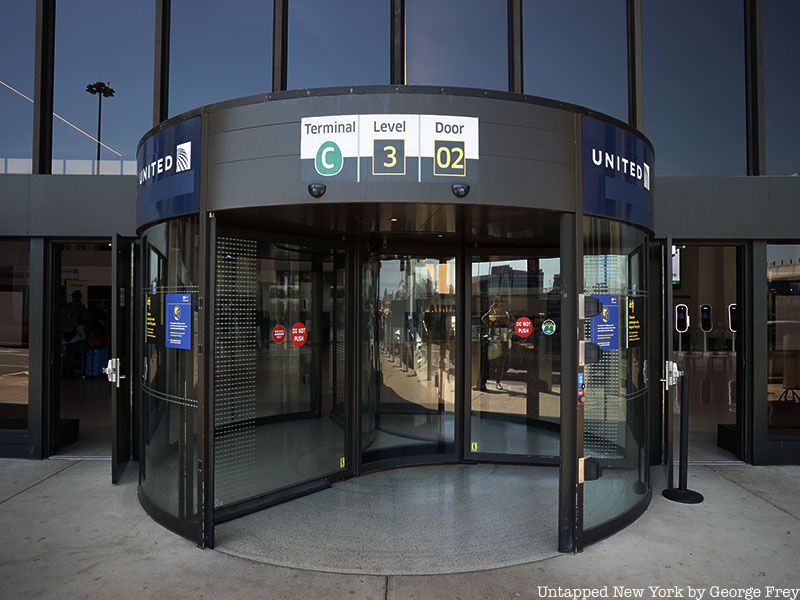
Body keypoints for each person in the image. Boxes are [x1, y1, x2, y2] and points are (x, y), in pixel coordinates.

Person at [59, 290, 89, 377]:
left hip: (65, 333)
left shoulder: (67, 306)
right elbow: (85, 320)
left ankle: (64, 373)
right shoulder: (81, 308)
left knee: (66, 354)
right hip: (76, 333)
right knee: (73, 354)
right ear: (80, 298)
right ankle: (70, 373)